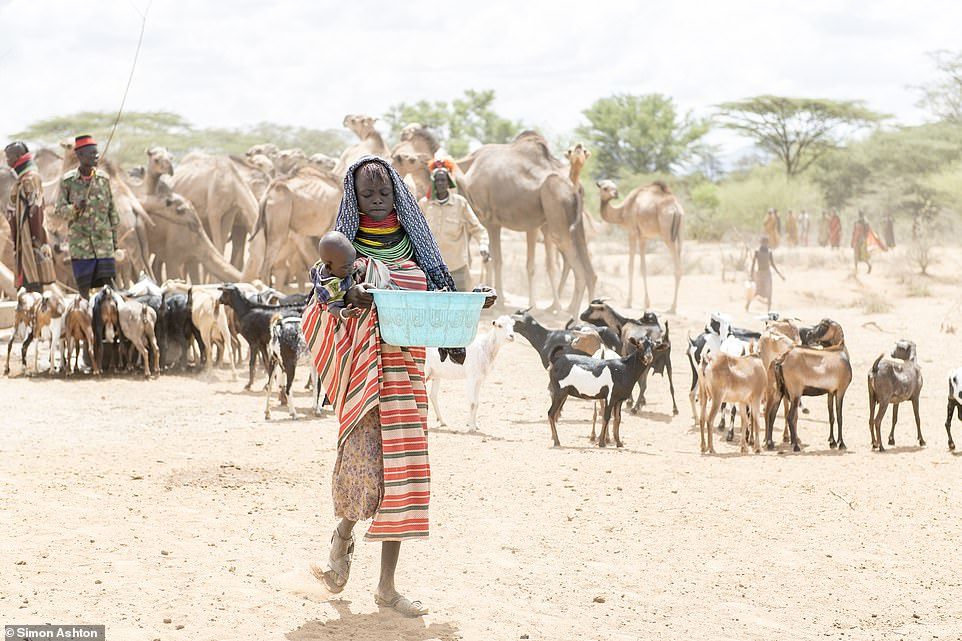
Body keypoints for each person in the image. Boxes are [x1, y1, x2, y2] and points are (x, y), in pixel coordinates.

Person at [301, 156, 496, 617]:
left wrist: (472, 303)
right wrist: (349, 296)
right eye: (366, 194)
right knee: (362, 471)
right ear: (353, 196)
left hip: (406, 375)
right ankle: (341, 544)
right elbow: (322, 298)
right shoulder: (342, 248)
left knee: (403, 478)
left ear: (397, 195)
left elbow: (437, 305)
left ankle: (387, 589)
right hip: (365, 376)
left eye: (383, 193)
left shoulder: (415, 246)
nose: (375, 200)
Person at [53, 135, 120, 299]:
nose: (96, 157)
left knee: (109, 290)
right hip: (81, 249)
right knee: (84, 292)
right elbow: (59, 210)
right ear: (80, 156)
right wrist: (75, 208)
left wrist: (114, 242)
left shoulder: (103, 179)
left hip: (104, 245)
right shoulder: (68, 181)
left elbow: (112, 211)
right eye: (91, 154)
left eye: (96, 154)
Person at [418, 159, 489, 292]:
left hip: (457, 269)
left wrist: (483, 245)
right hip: (432, 269)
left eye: (443, 180)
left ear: (448, 182)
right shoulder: (424, 204)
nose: (440, 183)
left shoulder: (460, 204)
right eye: (437, 180)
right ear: (433, 182)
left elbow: (477, 229)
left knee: (459, 306)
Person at [4, 141, 54, 292]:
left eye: (9, 157)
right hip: (23, 241)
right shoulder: (22, 179)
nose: (7, 161)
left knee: (33, 286)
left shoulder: (30, 179)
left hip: (31, 242)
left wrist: (31, 242)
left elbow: (35, 212)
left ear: (18, 156)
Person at [309, 231, 362, 321]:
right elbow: (333, 308)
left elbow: (311, 274)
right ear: (329, 268)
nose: (352, 267)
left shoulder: (322, 265)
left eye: (353, 261)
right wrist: (345, 312)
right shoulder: (332, 288)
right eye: (347, 266)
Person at [746, 235, 785, 312]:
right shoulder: (757, 252)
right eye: (763, 243)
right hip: (759, 274)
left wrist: (780, 275)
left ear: (767, 243)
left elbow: (773, 265)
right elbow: (753, 264)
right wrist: (751, 275)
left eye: (765, 243)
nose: (764, 244)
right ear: (761, 243)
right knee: (756, 291)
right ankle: (748, 305)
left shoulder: (769, 252)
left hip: (767, 274)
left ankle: (769, 311)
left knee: (769, 292)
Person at [851, 210, 872, 274]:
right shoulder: (856, 222)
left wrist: (864, 238)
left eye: (861, 214)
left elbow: (867, 231)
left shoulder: (865, 223)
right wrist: (852, 241)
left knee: (863, 255)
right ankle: (856, 269)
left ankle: (869, 266)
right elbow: (854, 232)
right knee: (856, 254)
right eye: (859, 214)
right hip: (856, 240)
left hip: (862, 240)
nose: (860, 216)